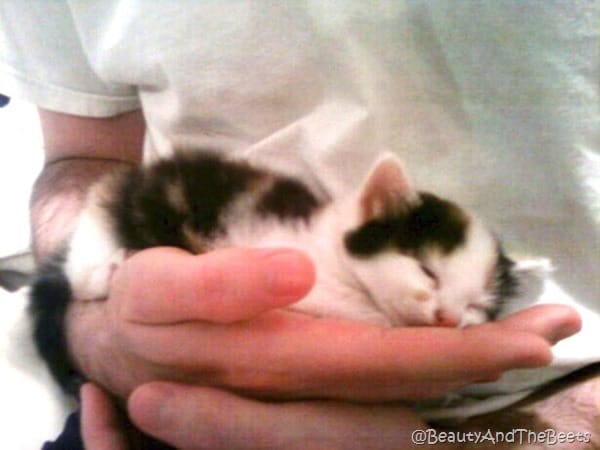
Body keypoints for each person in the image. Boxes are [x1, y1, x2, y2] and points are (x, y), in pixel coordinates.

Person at [1, 2, 597, 449]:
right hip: (163, 388)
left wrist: (567, 427)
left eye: (469, 308)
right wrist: (99, 335)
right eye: (426, 275)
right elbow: (85, 159)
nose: (447, 316)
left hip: (544, 411)